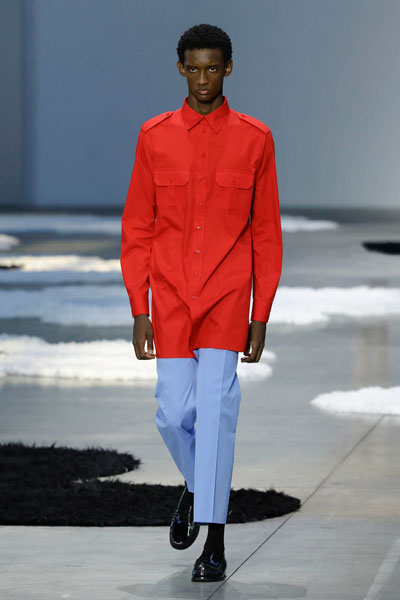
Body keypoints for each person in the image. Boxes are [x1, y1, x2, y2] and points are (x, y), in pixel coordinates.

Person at [120, 23, 283, 583]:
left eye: (213, 68)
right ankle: (197, 485)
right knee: (172, 414)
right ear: (180, 69)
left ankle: (214, 543)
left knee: (214, 414)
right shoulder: (154, 135)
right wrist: (139, 308)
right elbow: (138, 226)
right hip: (168, 296)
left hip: (227, 296)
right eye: (193, 68)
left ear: (228, 68)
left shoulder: (255, 138)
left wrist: (260, 314)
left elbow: (266, 233)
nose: (203, 79)